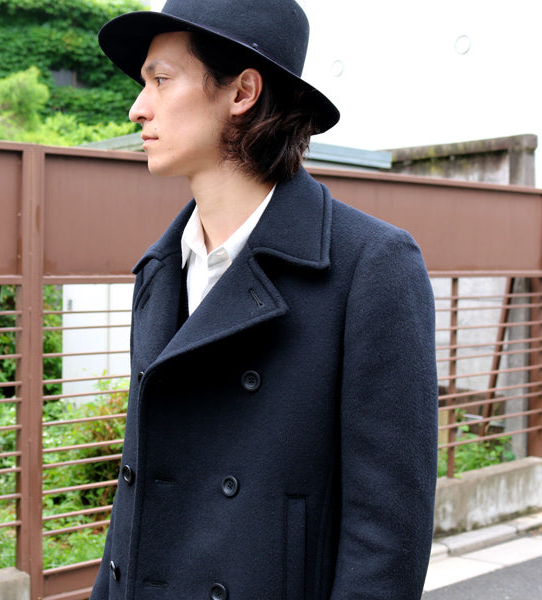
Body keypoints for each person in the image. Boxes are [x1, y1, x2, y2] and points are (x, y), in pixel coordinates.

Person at [91, 1, 438, 598]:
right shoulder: (160, 268)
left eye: (161, 80)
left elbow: (386, 540)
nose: (138, 107)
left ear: (242, 92)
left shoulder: (370, 266)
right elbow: (138, 494)